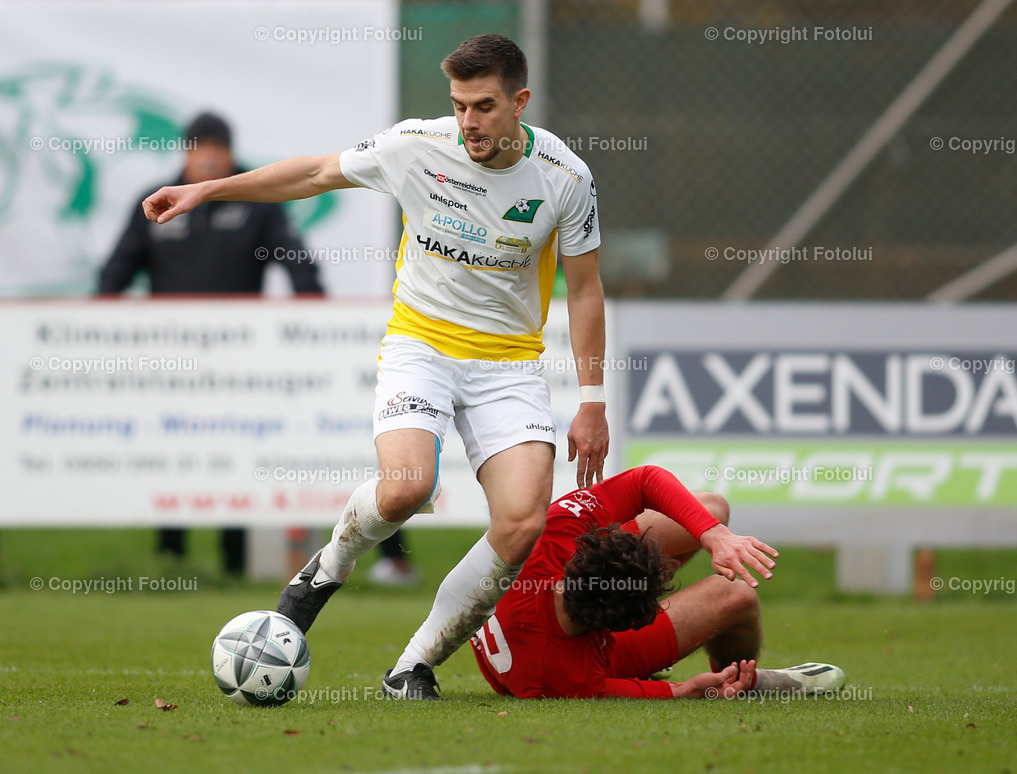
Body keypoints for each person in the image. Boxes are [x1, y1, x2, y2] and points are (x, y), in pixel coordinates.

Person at [140, 34, 608, 699]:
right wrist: (211, 189)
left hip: (508, 364)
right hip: (421, 345)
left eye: (484, 107)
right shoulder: (417, 145)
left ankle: (411, 666)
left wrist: (592, 400)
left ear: (520, 102)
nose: (469, 123)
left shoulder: (566, 178)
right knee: (406, 489)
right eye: (459, 106)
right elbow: (313, 174)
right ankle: (323, 572)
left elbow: (586, 289)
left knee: (523, 520)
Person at [99, 111, 324, 576]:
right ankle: (170, 557)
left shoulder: (259, 202)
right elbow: (114, 274)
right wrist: (98, 330)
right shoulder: (157, 203)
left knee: (237, 452)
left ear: (229, 153)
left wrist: (316, 320)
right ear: (186, 152)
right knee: (171, 451)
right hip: (169, 357)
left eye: (218, 150)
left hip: (241, 360)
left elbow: (301, 267)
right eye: (200, 149)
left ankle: (233, 562)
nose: (208, 159)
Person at [470, 465, 846, 699]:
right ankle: (740, 680)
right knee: (736, 594)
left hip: (543, 624)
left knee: (709, 510)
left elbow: (645, 480)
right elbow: (675, 690)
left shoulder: (549, 538)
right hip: (563, 654)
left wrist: (713, 535)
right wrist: (696, 688)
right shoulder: (571, 678)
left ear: (581, 551)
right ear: (620, 627)